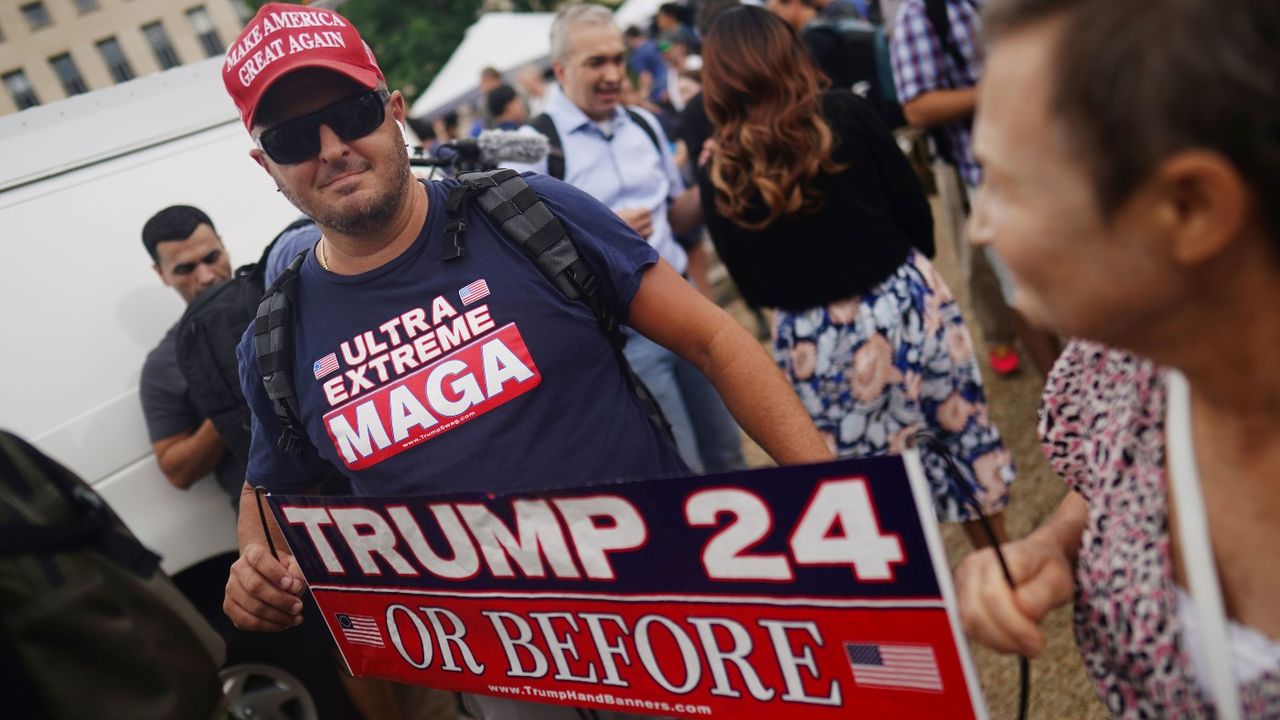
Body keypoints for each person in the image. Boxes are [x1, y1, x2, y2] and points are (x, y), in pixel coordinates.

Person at [218, 4, 831, 719]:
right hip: (511, 680)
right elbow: (271, 483)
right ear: (267, 166)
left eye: (351, 112)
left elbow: (713, 339)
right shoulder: (278, 333)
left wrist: (830, 502)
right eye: (293, 135)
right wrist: (251, 569)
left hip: (681, 622)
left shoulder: (525, 213)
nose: (332, 148)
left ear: (394, 111)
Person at [955, 0, 1280, 716]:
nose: (978, 228)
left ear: (1189, 207)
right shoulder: (1121, 364)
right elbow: (1112, 482)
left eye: (1006, 186)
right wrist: (1054, 546)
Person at [698, 6, 1013, 545]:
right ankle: (1002, 573)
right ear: (786, 51)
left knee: (874, 500)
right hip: (906, 301)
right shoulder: (842, 111)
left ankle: (919, 613)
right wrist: (906, 272)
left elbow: (751, 287)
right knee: (961, 445)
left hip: (817, 343)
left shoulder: (720, 169)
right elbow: (913, 206)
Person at [515, 4, 747, 474]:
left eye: (619, 59)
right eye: (595, 63)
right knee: (683, 470)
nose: (614, 74)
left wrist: (711, 177)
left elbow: (678, 218)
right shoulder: (534, 146)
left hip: (687, 306)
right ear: (560, 70)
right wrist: (597, 235)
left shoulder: (644, 125)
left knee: (729, 452)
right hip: (622, 334)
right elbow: (523, 263)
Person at [889, 0, 1050, 376]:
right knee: (1019, 291)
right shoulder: (922, 14)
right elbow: (916, 107)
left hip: (1053, 157)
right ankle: (1063, 393)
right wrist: (998, 89)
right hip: (990, 174)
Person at [139, 206, 241, 505]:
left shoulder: (280, 299)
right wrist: (232, 403)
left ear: (223, 245)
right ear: (162, 274)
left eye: (212, 258)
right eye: (186, 269)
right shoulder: (164, 364)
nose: (207, 276)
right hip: (278, 516)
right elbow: (177, 472)